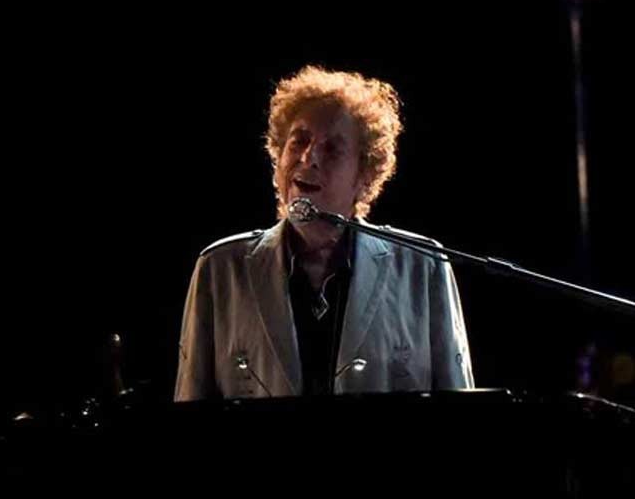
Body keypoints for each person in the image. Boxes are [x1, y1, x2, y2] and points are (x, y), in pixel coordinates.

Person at [174, 66, 474, 401]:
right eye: (299, 141)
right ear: (277, 156)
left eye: (332, 149)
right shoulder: (220, 268)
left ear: (364, 175)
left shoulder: (423, 266)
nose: (309, 157)